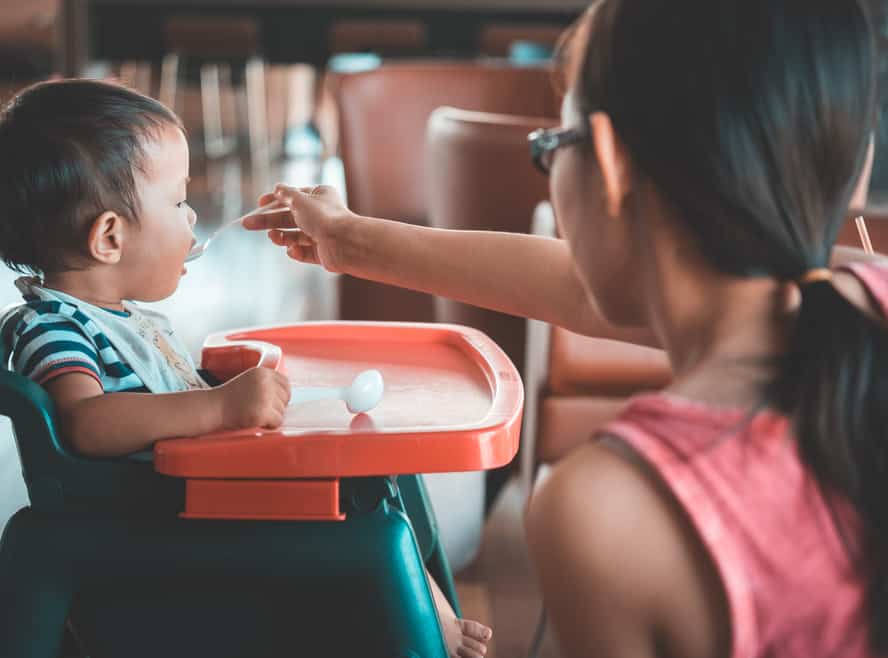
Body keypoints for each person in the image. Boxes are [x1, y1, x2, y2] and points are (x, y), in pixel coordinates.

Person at [244, 0, 888, 655]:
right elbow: (576, 286)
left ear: (605, 162)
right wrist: (347, 239)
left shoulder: (608, 514)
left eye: (550, 144)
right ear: (853, 166)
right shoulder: (873, 284)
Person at [0, 78, 491, 658]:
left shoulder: (120, 317)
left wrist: (229, 391)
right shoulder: (56, 328)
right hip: (164, 528)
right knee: (368, 502)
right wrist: (217, 405)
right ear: (109, 237)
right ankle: (417, 621)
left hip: (197, 498)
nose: (193, 217)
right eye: (179, 201)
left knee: (382, 473)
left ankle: (426, 605)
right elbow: (88, 421)